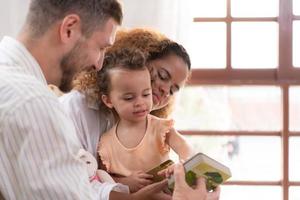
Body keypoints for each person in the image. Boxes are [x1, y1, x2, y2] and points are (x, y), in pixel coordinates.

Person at [0, 0, 170, 199]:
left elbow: (74, 186)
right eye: (100, 48)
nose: (99, 65)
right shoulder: (34, 103)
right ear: (69, 29)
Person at [93, 46, 193, 193]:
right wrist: (125, 182)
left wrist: (182, 164)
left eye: (146, 94)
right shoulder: (106, 143)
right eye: (129, 97)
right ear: (108, 101)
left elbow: (185, 147)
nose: (140, 102)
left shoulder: (160, 127)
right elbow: (102, 178)